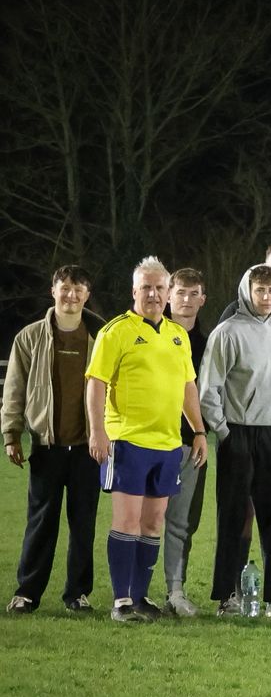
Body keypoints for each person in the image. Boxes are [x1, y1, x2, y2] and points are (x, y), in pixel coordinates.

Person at [85, 256, 208, 622]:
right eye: (146, 288)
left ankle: (140, 597)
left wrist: (199, 430)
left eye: (159, 287)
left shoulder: (177, 335)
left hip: (168, 444)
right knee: (126, 521)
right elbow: (95, 384)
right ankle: (121, 601)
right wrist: (97, 431)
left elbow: (188, 387)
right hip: (127, 442)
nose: (153, 294)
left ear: (168, 292)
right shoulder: (116, 331)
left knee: (154, 524)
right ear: (134, 291)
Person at [198, 265, 271, 618]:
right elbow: (208, 387)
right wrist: (223, 431)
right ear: (247, 291)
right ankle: (228, 596)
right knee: (235, 516)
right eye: (260, 290)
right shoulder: (227, 332)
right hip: (238, 431)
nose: (266, 297)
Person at [5, 265, 103, 614]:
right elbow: (14, 389)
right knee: (41, 523)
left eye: (78, 288)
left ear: (87, 295)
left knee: (83, 525)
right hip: (46, 446)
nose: (71, 295)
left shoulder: (101, 337)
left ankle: (77, 594)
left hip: (88, 449)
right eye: (65, 288)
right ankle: (27, 592)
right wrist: (11, 434)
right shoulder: (29, 337)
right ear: (53, 291)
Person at [157, 268, 210, 615]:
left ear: (203, 299)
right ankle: (130, 591)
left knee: (181, 521)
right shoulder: (147, 334)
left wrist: (203, 432)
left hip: (191, 443)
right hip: (147, 440)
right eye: (180, 293)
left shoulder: (209, 342)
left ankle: (175, 591)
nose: (186, 300)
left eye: (193, 294)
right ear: (168, 295)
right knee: (138, 521)